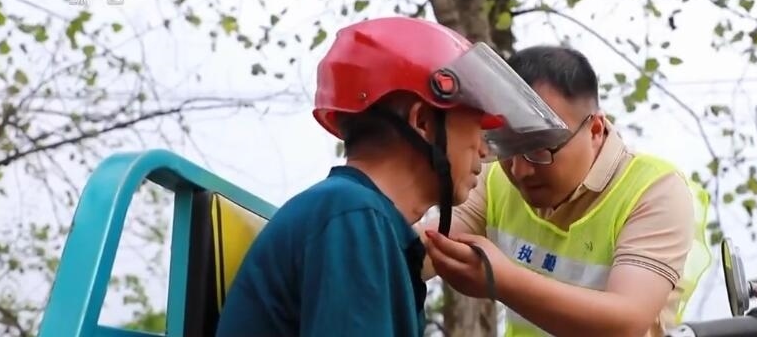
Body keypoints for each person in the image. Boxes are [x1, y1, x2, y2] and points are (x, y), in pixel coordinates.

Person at [215, 17, 572, 337]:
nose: (483, 149)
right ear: (423, 122)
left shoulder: (361, 218)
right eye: (476, 127)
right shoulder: (352, 216)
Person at [419, 45, 712, 337]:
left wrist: (504, 282)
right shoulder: (495, 177)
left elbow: (626, 322)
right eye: (506, 147)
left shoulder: (653, 191)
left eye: (540, 150)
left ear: (595, 129)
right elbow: (426, 249)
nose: (520, 171)